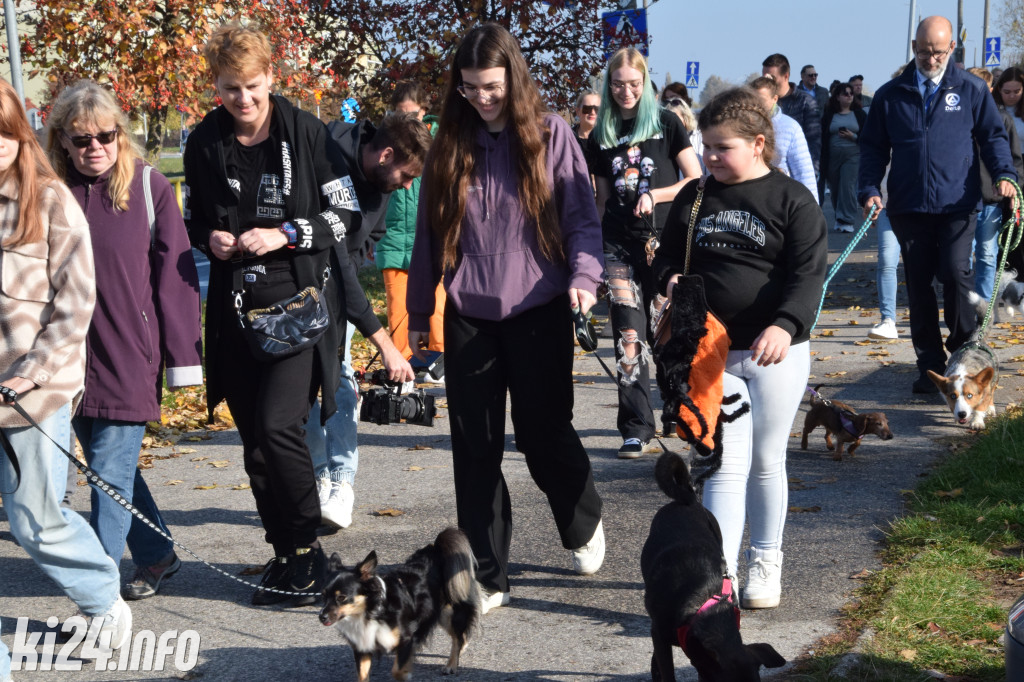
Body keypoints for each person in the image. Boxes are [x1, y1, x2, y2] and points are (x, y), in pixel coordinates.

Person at [406, 22, 606, 613]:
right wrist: (421, 309)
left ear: (512, 78)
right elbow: (428, 234)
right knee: (475, 447)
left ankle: (581, 518)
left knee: (544, 435)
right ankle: (489, 574)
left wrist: (583, 281)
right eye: (469, 88)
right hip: (471, 311)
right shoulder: (448, 143)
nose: (482, 97)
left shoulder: (552, 134)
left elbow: (581, 219)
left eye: (491, 86)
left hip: (539, 307)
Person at [183, 23, 355, 605]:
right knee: (254, 442)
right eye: (231, 89)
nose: (244, 100)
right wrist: (213, 239)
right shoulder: (205, 142)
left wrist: (285, 233)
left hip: (299, 308)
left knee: (281, 428)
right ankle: (283, 554)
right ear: (218, 88)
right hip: (235, 311)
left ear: (271, 79)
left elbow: (346, 218)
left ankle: (311, 553)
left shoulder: (307, 133)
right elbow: (192, 221)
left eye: (252, 87)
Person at [653, 87, 827, 609]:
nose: (709, 157)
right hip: (711, 354)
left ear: (758, 144)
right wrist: (667, 282)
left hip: (776, 353)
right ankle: (719, 576)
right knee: (723, 464)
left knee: (767, 460)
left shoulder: (793, 201)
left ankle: (766, 560)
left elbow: (808, 276)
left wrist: (786, 324)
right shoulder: (695, 197)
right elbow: (662, 259)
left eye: (721, 148)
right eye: (705, 146)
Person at [45, 81, 203, 600]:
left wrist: (183, 359)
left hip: (127, 355)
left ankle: (100, 589)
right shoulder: (50, 192)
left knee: (108, 475)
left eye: (106, 136)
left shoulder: (151, 189)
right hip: (65, 357)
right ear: (63, 142)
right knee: (110, 471)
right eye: (81, 139)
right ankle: (157, 556)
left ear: (121, 134)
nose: (95, 148)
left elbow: (176, 281)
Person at [0, 77, 132, 677]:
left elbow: (75, 306)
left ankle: (104, 603)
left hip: (34, 391)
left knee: (33, 517)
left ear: (20, 132)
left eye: (2, 135)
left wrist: (30, 375)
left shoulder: (52, 201)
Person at [858, 15, 1018, 395]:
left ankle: (965, 351)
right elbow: (873, 147)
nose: (932, 59)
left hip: (958, 204)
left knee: (955, 273)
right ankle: (929, 365)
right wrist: (868, 188)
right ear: (914, 48)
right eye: (925, 52)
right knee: (918, 285)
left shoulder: (972, 90)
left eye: (939, 52)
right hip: (908, 205)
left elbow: (993, 137)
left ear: (951, 50)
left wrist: (1004, 174)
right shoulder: (890, 95)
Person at [305, 110, 432, 529]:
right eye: (407, 175)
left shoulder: (382, 187)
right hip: (301, 286)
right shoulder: (327, 159)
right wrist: (385, 344)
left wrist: (358, 256)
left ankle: (341, 480)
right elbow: (335, 256)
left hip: (337, 293)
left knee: (339, 377)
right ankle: (317, 476)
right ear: (386, 155)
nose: (408, 185)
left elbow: (367, 239)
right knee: (304, 388)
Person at [590, 47, 702, 459]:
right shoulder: (600, 133)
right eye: (617, 84)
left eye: (633, 84)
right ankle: (635, 426)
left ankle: (679, 410)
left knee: (665, 334)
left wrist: (654, 194)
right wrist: (591, 253)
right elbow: (601, 199)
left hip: (662, 245)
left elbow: (694, 179)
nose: (625, 91)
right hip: (617, 244)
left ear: (645, 83)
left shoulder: (667, 124)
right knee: (627, 334)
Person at [971, 67, 1024, 301]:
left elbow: (1013, 159)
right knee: (962, 258)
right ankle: (967, 303)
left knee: (987, 253)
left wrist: (1013, 188)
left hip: (995, 191)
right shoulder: (956, 117)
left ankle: (986, 306)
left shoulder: (1003, 119)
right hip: (963, 197)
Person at [750, 76, 816, 197]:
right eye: (753, 99)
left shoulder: (790, 127)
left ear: (775, 99)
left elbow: (804, 173)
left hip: (781, 199)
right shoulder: (743, 127)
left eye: (761, 99)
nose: (757, 104)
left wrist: (812, 209)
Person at [762, 53, 821, 172]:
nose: (767, 81)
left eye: (772, 77)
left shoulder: (806, 102)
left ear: (786, 76)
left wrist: (812, 171)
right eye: (764, 77)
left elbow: (814, 141)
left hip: (796, 170)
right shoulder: (760, 103)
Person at [820, 81, 867, 232]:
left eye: (851, 93)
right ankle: (839, 217)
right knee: (835, 189)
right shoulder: (829, 115)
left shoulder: (859, 114)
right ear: (838, 97)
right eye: (845, 94)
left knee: (847, 186)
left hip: (853, 155)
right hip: (833, 156)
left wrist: (852, 136)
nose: (849, 96)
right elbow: (823, 136)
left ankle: (847, 220)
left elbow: (867, 136)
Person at [662, 98, 704, 172]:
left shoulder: (701, 140)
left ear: (686, 117)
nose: (671, 122)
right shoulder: (662, 142)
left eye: (675, 118)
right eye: (667, 120)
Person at [993, 67, 1024, 142]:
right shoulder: (990, 110)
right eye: (1007, 92)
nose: (1012, 96)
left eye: (1017, 92)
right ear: (999, 89)